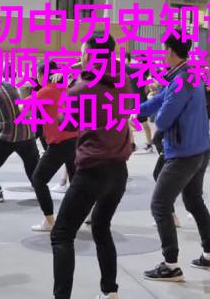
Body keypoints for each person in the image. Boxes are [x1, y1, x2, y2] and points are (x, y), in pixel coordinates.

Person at [50, 33, 133, 299]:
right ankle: (110, 291)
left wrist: (69, 87)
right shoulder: (123, 80)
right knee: (101, 226)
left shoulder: (80, 88)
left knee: (62, 235)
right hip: (119, 171)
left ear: (87, 54)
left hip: (92, 171)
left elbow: (66, 123)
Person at [140, 35, 210, 282]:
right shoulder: (189, 74)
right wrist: (129, 109)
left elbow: (164, 118)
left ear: (170, 51)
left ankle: (171, 265)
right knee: (194, 201)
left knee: (160, 205)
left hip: (183, 153)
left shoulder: (180, 80)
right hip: (200, 149)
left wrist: (153, 118)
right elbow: (159, 100)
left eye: (163, 49)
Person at [29, 61, 78, 232]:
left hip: (60, 142)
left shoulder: (46, 91)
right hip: (75, 139)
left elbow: (24, 107)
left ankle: (49, 221)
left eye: (37, 74)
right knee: (76, 180)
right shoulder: (66, 89)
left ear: (43, 75)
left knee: (38, 179)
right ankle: (83, 215)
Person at [0, 66, 40, 203]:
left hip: (8, 135)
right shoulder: (11, 86)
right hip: (27, 132)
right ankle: (40, 189)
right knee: (31, 165)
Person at [125, 53, 154, 153]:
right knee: (134, 122)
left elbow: (125, 67)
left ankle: (147, 144)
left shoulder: (138, 71)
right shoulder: (139, 72)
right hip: (134, 100)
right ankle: (134, 144)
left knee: (141, 123)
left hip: (140, 100)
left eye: (137, 60)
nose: (135, 62)